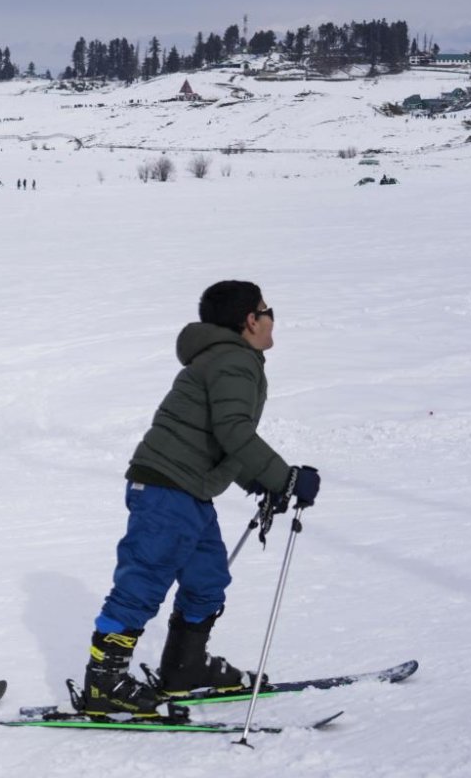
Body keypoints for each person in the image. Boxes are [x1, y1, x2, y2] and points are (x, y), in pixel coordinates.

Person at [81, 280, 320, 717]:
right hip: (166, 487)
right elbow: (234, 431)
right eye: (269, 311)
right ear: (251, 319)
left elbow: (222, 438)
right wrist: (285, 477)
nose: (271, 319)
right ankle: (105, 681)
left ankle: (184, 668)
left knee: (207, 579)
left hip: (188, 489)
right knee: (145, 578)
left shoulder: (228, 358)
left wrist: (264, 483)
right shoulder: (234, 360)